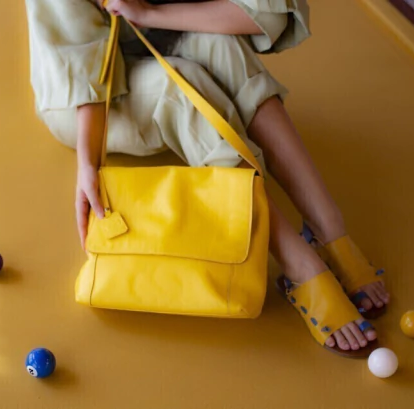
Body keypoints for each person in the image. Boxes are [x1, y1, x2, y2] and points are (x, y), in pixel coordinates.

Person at [25, 0, 390, 356]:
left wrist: (150, 12)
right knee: (183, 85)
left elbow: (264, 11)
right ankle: (299, 263)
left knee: (226, 48)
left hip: (150, 37)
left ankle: (329, 229)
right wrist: (88, 163)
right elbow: (82, 68)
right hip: (85, 98)